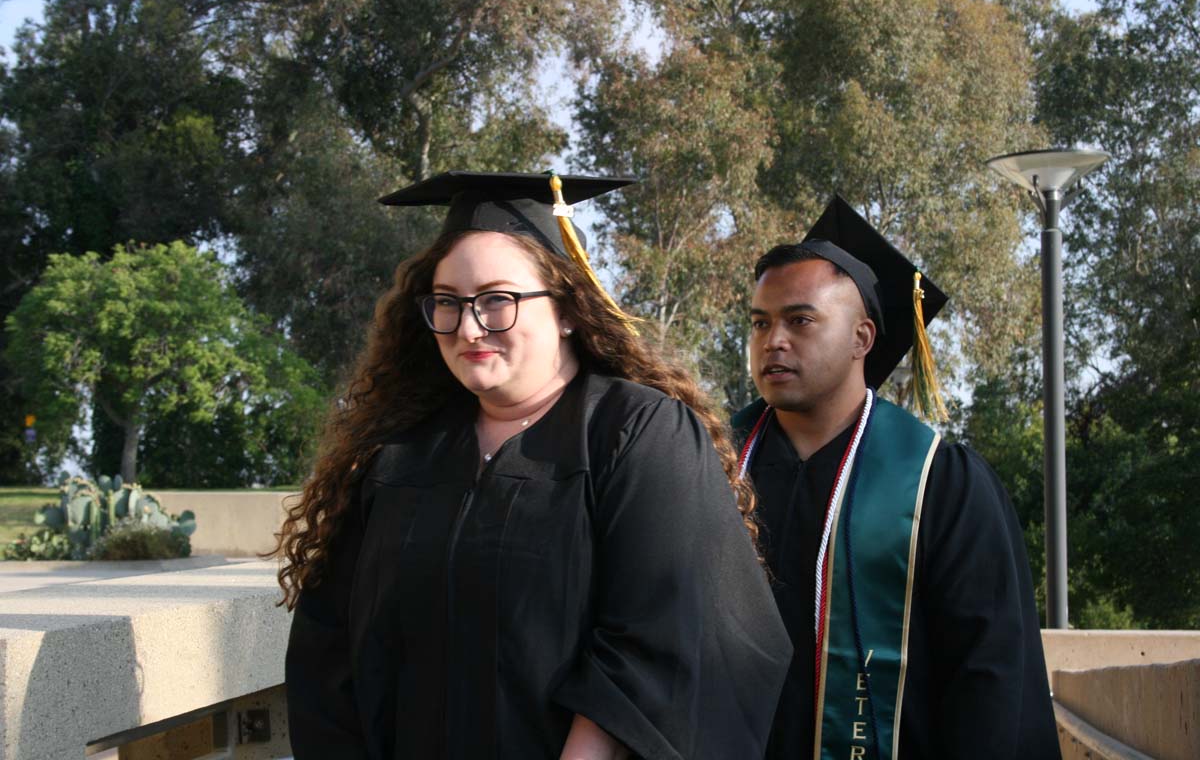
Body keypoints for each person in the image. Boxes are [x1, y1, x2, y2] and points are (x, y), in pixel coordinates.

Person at [277, 170, 792, 760]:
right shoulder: (398, 453)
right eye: (447, 302)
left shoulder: (635, 433)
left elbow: (665, 639)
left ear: (568, 308)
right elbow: (329, 648)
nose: (468, 327)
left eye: (497, 300)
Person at [733, 195, 1061, 759]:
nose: (774, 341)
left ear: (862, 338)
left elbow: (990, 678)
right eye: (761, 323)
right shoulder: (712, 464)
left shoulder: (938, 484)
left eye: (800, 320)